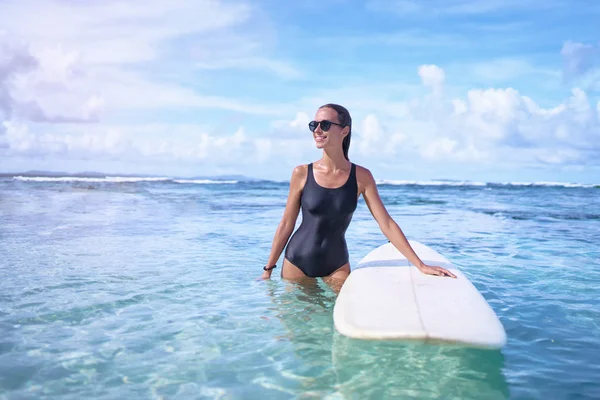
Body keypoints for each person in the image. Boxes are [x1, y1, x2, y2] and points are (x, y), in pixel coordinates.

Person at [260, 103, 456, 288]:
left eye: (325, 125)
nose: (317, 130)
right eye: (314, 125)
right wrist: (268, 268)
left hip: (336, 265)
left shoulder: (362, 177)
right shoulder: (301, 173)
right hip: (297, 261)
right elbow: (286, 223)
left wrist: (420, 265)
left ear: (344, 131)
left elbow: (386, 223)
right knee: (296, 322)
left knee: (332, 321)